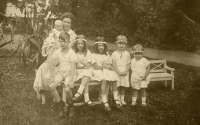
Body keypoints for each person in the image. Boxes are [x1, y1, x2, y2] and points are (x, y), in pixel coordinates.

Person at [49, 32, 76, 117]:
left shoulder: (71, 53)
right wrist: (53, 77)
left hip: (69, 74)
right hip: (61, 72)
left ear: (68, 41)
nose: (62, 43)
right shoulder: (57, 52)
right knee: (51, 86)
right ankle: (60, 103)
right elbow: (51, 64)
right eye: (61, 41)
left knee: (67, 89)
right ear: (59, 42)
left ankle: (71, 104)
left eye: (64, 41)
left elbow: (73, 67)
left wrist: (71, 80)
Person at [92, 37, 121, 112]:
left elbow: (110, 63)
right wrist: (104, 66)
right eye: (99, 46)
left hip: (106, 70)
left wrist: (108, 66)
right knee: (104, 80)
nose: (101, 47)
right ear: (96, 46)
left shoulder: (107, 54)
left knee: (114, 78)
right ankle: (104, 100)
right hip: (97, 71)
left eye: (102, 46)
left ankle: (115, 98)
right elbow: (95, 67)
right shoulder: (94, 55)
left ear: (105, 46)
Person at [72, 35, 95, 107]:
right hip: (77, 72)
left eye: (82, 43)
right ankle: (87, 100)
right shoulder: (73, 52)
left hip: (86, 72)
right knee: (86, 75)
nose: (80, 45)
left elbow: (88, 65)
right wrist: (83, 65)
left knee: (87, 73)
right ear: (76, 44)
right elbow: (75, 66)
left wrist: (82, 62)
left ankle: (79, 92)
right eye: (78, 43)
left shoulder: (88, 52)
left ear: (84, 44)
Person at [111, 35, 131, 106]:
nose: (121, 45)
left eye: (123, 44)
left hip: (125, 72)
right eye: (119, 43)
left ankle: (122, 100)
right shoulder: (114, 54)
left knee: (123, 86)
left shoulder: (127, 54)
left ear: (125, 44)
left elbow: (128, 64)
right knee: (117, 86)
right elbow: (113, 64)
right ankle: (117, 99)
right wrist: (118, 72)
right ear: (117, 44)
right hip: (117, 72)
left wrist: (126, 71)